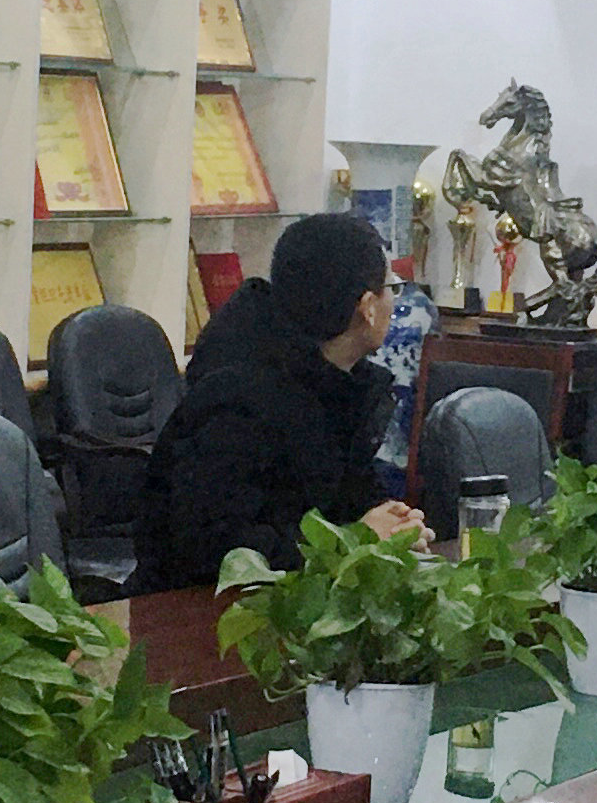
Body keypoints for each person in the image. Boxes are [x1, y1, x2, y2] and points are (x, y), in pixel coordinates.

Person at [134, 210, 427, 590]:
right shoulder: (240, 397)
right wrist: (354, 540)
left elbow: (349, 495)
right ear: (367, 307)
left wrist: (395, 525)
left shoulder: (341, 383)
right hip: (198, 609)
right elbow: (217, 548)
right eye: (392, 287)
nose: (393, 300)